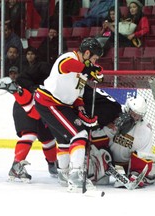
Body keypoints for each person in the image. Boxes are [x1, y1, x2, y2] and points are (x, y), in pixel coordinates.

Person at [34, 37, 104, 193]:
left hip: (61, 104)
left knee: (65, 138)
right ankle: (76, 175)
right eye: (93, 58)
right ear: (86, 53)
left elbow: (77, 94)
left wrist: (81, 110)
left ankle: (64, 174)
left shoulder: (83, 72)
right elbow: (66, 66)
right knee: (79, 134)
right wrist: (87, 69)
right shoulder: (68, 58)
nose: (94, 62)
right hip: (49, 101)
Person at [0, 47, 57, 182]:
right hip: (28, 103)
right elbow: (22, 79)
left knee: (48, 137)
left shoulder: (51, 72)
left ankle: (52, 164)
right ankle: (18, 166)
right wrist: (33, 88)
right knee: (30, 134)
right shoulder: (45, 68)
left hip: (38, 105)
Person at [87, 94, 155, 188]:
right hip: (107, 157)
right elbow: (94, 141)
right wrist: (111, 129)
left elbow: (142, 153)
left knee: (148, 177)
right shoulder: (112, 114)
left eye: (138, 116)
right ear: (127, 108)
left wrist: (136, 173)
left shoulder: (144, 129)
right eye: (133, 114)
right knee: (100, 181)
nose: (135, 118)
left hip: (128, 160)